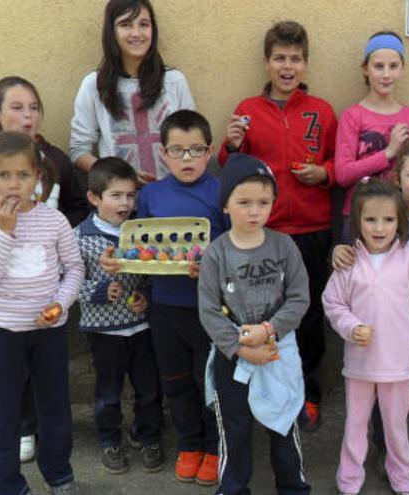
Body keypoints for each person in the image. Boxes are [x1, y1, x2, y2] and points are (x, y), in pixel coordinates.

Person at [0, 75, 88, 464]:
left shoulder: (54, 160)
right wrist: (0, 234)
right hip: (2, 296)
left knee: (51, 388)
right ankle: (22, 434)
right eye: (17, 107)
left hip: (45, 295)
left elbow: (74, 221)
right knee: (8, 391)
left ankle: (56, 464)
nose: (27, 115)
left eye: (34, 107)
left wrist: (48, 232)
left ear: (37, 177)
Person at [218, 20, 337, 431]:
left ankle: (307, 393)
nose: (288, 66)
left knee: (307, 313)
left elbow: (340, 163)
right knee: (264, 313)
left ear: (305, 64)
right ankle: (263, 391)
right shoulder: (248, 111)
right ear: (266, 63)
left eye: (296, 59)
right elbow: (231, 171)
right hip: (263, 235)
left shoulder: (321, 110)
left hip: (311, 231)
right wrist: (231, 144)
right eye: (280, 58)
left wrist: (323, 173)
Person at [100, 109, 227, 485]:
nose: (187, 159)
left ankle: (215, 445)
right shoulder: (151, 195)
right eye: (178, 150)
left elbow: (236, 245)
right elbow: (136, 246)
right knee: (174, 377)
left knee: (210, 380)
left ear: (210, 151)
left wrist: (213, 265)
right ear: (163, 154)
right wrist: (116, 262)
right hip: (165, 305)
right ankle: (188, 442)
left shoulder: (221, 192)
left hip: (209, 307)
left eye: (196, 150)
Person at [0, 131, 83, 495]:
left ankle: (59, 474)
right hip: (2, 331)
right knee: (3, 414)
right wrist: (5, 232)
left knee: (55, 408)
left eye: (23, 175)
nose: (14, 184)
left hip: (49, 331)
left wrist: (60, 303)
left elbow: (74, 267)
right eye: (3, 175)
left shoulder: (55, 221)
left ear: (38, 176)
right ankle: (8, 484)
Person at [331, 141, 409, 484]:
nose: (379, 227)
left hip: (406, 348)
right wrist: (350, 325)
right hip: (363, 359)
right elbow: (334, 301)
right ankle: (353, 475)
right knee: (360, 423)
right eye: (371, 220)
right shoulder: (352, 258)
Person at [198, 153, 312, 495]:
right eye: (244, 201)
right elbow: (207, 310)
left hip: (278, 347)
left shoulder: (284, 246)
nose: (254, 210)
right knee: (234, 429)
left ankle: (293, 486)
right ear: (226, 205)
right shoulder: (216, 253)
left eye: (263, 202)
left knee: (284, 423)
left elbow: (299, 298)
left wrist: (269, 330)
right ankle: (232, 489)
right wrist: (238, 349)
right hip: (232, 354)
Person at [73, 157, 163, 474]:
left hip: (141, 327)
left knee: (149, 389)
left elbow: (153, 273)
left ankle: (148, 435)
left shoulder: (141, 232)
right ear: (94, 198)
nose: (125, 202)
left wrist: (146, 297)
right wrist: (98, 291)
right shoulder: (80, 237)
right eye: (116, 195)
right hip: (105, 333)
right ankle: (110, 440)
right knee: (108, 393)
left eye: (130, 195)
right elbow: (66, 282)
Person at [70, 0, 195, 184]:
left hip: (171, 196)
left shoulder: (174, 81)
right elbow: (78, 151)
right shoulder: (93, 85)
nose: (136, 33)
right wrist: (118, 174)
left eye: (143, 24)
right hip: (119, 200)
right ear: (111, 31)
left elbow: (192, 139)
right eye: (125, 24)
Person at [334, 31, 409, 235]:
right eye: (378, 66)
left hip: (399, 216)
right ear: (366, 69)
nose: (386, 74)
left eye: (393, 66)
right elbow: (342, 174)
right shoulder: (352, 116)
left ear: (402, 69)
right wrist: (388, 152)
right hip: (358, 216)